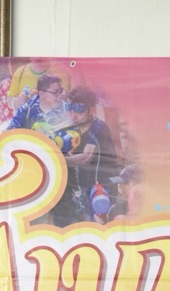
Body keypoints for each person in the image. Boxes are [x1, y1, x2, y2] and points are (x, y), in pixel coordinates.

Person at [51, 86, 121, 227]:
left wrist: (54, 161)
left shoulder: (99, 128)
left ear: (92, 110)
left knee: (97, 228)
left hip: (102, 189)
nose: (73, 115)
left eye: (79, 110)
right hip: (83, 188)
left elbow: (85, 157)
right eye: (70, 108)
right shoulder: (72, 128)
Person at [7, 59, 72, 114]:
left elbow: (66, 98)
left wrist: (39, 99)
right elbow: (9, 101)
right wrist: (18, 101)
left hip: (54, 121)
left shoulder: (61, 70)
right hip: (26, 121)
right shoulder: (20, 72)